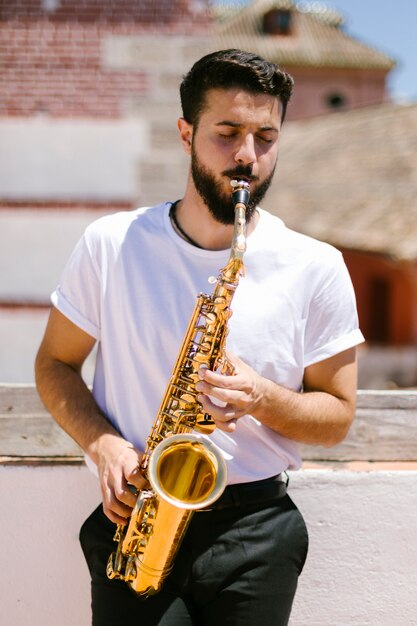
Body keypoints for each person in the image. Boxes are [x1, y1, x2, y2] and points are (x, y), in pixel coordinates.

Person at [35, 49, 364, 626]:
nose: (247, 156)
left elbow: (337, 416)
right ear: (186, 132)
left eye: (266, 136)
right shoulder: (111, 244)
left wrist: (261, 396)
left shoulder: (317, 265)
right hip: (139, 515)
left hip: (256, 534)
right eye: (227, 132)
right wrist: (104, 444)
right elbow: (56, 365)